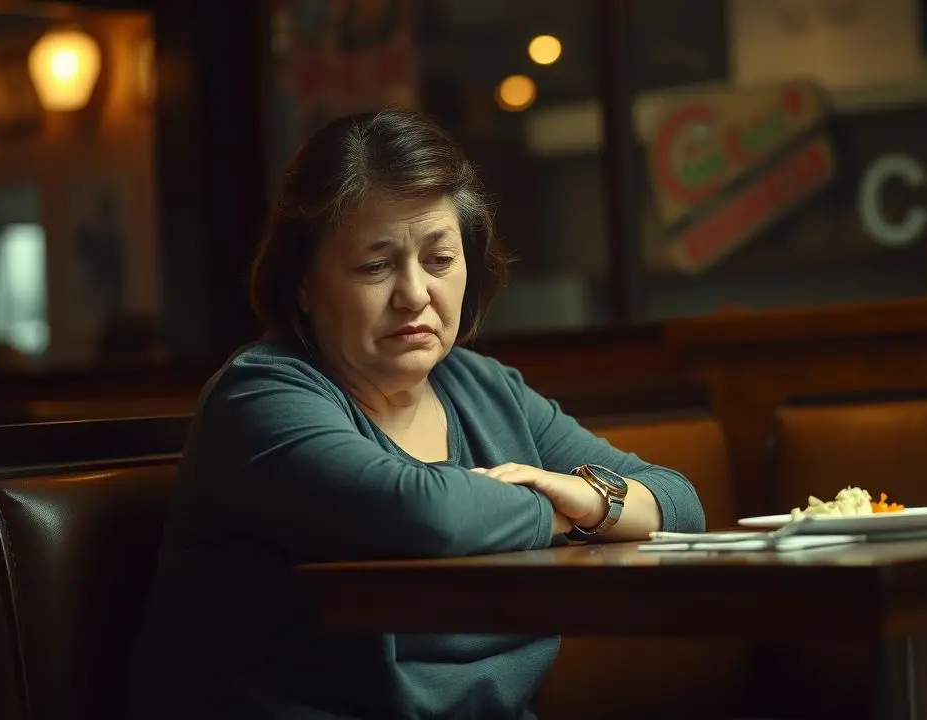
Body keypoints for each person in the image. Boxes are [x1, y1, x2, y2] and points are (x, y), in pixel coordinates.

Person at [126, 108, 706, 719]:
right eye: (375, 266)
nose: (415, 295)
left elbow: (678, 502)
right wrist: (564, 511)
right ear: (302, 281)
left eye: (439, 260)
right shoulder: (260, 399)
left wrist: (590, 501)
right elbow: (423, 514)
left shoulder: (484, 389)